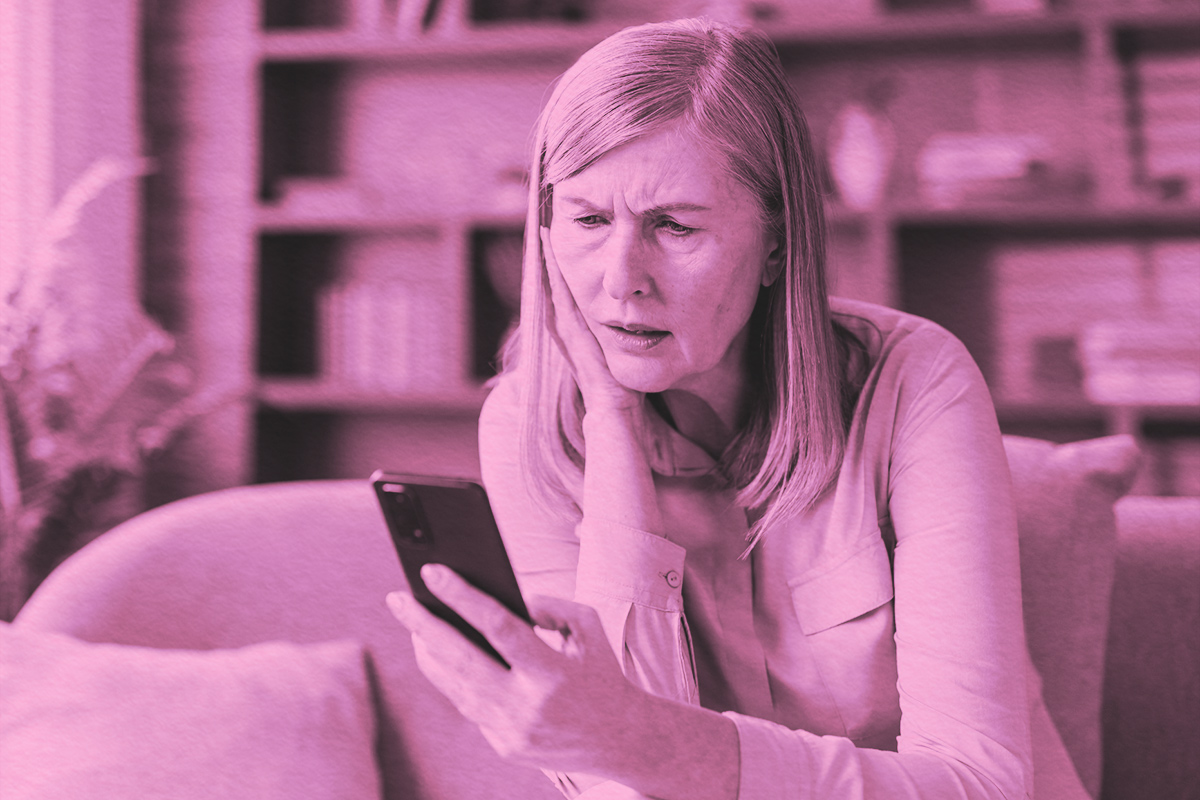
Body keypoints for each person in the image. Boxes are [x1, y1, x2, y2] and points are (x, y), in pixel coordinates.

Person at [388, 17, 1087, 800]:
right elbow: (615, 787)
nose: (622, 280)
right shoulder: (531, 425)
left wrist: (646, 743)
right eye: (587, 220)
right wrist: (615, 429)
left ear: (779, 243)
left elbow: (979, 785)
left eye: (675, 226)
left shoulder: (915, 383)